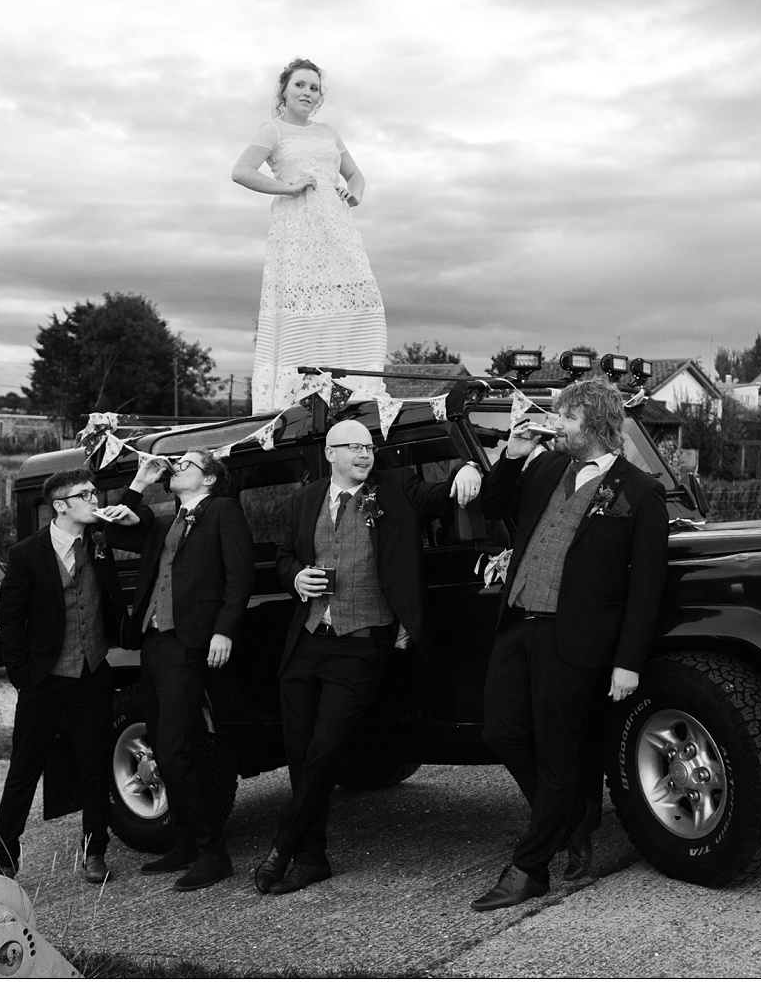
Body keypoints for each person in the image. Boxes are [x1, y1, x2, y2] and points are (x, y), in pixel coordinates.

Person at [253, 418, 483, 895]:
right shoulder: (304, 499)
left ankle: (282, 847)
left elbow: (440, 495)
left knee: (327, 751)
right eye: (353, 447)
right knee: (300, 753)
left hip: (360, 644)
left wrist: (467, 469)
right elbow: (281, 556)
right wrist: (294, 576)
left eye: (368, 446)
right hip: (307, 641)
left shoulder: (397, 488)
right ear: (331, 454)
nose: (364, 454)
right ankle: (312, 857)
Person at [470, 377, 669, 912]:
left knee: (559, 754)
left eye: (566, 417)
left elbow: (646, 588)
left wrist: (628, 663)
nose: (555, 423)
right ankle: (573, 816)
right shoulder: (546, 468)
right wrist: (510, 457)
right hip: (519, 625)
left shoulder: (641, 492)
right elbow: (491, 505)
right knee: (501, 730)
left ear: (598, 425)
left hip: (575, 638)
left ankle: (529, 867)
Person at [101, 449, 254, 891]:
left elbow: (239, 576)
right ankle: (186, 841)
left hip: (192, 642)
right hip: (154, 642)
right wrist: (141, 480)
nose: (175, 468)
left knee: (172, 749)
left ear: (208, 478)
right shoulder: (164, 519)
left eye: (184, 464)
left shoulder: (223, 510)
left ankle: (213, 851)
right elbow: (111, 530)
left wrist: (224, 631)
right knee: (167, 743)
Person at [0, 468, 128, 884]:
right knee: (24, 770)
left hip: (91, 673)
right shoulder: (26, 554)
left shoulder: (100, 542)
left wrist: (134, 499)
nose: (95, 499)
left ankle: (94, 852)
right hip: (44, 679)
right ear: (61, 505)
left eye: (95, 492)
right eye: (85, 494)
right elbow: (11, 622)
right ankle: (3, 858)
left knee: (93, 766)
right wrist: (23, 677)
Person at [232, 57, 387, 412]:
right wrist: (286, 188)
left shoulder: (328, 132)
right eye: (300, 85)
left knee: (364, 300)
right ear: (283, 91)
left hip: (338, 228)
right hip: (297, 229)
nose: (307, 92)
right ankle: (297, 397)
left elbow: (356, 175)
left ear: (320, 97)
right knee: (302, 306)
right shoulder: (272, 130)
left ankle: (352, 393)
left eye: (314, 88)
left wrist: (355, 193)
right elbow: (241, 171)